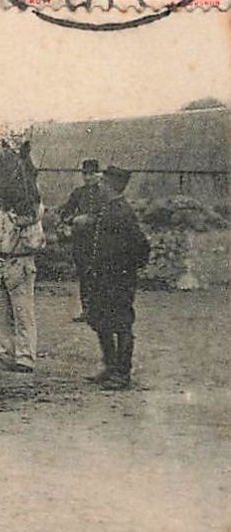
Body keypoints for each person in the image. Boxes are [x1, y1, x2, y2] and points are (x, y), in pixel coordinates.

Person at [84, 166, 151, 390]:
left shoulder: (123, 212)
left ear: (111, 186)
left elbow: (141, 246)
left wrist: (125, 272)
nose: (98, 186)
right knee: (101, 320)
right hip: (103, 277)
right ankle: (110, 367)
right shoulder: (107, 208)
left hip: (118, 279)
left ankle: (122, 374)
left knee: (121, 323)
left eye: (102, 183)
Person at [0, 201, 45, 373]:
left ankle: (25, 358)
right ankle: (6, 355)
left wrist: (19, 222)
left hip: (19, 261)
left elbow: (36, 242)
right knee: (0, 313)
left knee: (22, 312)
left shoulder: (30, 211)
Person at [57, 158, 104, 323]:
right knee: (84, 275)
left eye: (91, 174)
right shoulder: (78, 193)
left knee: (101, 275)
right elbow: (65, 213)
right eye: (85, 174)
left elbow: (109, 215)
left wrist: (92, 219)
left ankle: (102, 311)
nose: (88, 178)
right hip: (82, 241)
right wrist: (75, 219)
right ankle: (87, 311)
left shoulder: (104, 193)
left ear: (98, 175)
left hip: (101, 241)